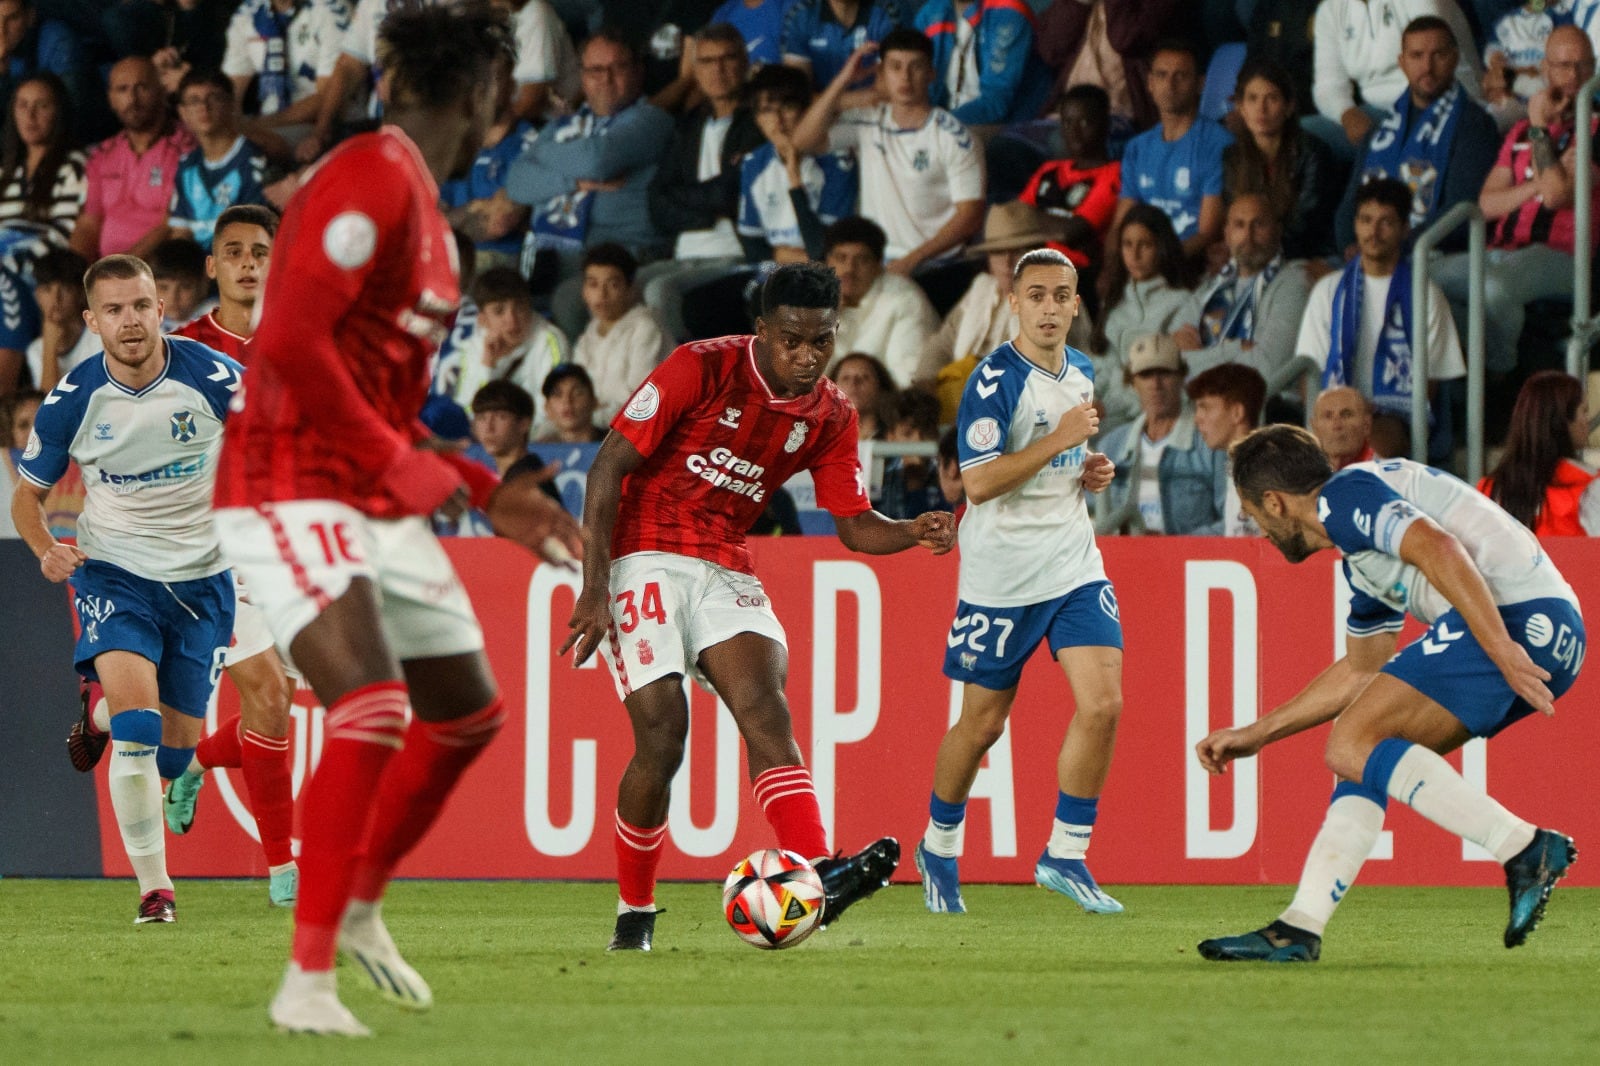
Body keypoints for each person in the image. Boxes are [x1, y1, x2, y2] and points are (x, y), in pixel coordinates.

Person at [209, 3, 582, 1035]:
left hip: (363, 484)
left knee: (468, 712)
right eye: (503, 94)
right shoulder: (373, 173)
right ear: (485, 95)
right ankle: (306, 982)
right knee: (373, 707)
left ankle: (361, 901)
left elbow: (377, 385)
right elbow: (285, 337)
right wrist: (397, 464)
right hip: (287, 480)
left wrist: (476, 477)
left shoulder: (421, 200)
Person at [562, 261, 956, 952]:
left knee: (766, 709)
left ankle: (820, 872)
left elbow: (855, 524)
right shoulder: (699, 368)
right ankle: (635, 911)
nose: (808, 357)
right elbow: (607, 466)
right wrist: (594, 590)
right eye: (793, 341)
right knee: (663, 734)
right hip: (642, 552)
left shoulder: (832, 414)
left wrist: (911, 531)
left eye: (823, 342)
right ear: (763, 332)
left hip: (725, 561)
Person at [1196, 424, 1583, 961]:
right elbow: (1363, 669)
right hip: (1552, 631)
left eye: (1252, 513)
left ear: (1274, 502)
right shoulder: (1365, 558)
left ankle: (1522, 846)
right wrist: (1257, 734)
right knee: (1363, 755)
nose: (1257, 528)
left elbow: (1439, 547)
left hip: (1516, 620)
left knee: (1351, 743)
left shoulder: (1345, 495)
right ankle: (1300, 927)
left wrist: (1500, 649)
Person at [12, 254, 245, 926]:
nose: (130, 321)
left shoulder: (217, 379)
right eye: (113, 310)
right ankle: (155, 890)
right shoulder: (74, 399)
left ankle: (100, 716)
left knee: (174, 754)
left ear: (160, 309)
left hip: (203, 581)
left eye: (140, 306)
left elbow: (282, 449)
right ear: (92, 321)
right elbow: (27, 501)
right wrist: (46, 550)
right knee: (143, 733)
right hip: (114, 574)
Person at [915, 246, 1124, 916]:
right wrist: (1058, 440)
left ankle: (1066, 852)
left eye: (1061, 296)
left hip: (1072, 561)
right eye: (1035, 295)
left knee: (1104, 705)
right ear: (1014, 302)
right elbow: (978, 482)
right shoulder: (992, 380)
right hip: (1002, 573)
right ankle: (939, 847)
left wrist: (1087, 467)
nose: (1049, 309)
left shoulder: (1082, 370)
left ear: (1075, 302)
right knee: (981, 725)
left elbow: (1060, 456)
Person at [1435, 26, 1598, 379]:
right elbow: (1486, 203)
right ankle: (1473, 359)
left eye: (1583, 66)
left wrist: (1539, 124)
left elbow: (1555, 197)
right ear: (1545, 69)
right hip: (1501, 249)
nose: (1572, 76)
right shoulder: (1519, 132)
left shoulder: (1595, 129)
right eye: (1563, 65)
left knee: (1495, 290)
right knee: (1424, 276)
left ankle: (1500, 374)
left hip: (1565, 256)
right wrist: (1537, 183)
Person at [507, 29, 675, 340]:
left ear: (638, 71)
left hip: (622, 257)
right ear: (582, 77)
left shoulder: (651, 120)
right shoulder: (563, 128)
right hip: (551, 255)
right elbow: (516, 181)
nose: (606, 78)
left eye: (618, 67)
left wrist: (540, 154)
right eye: (595, 70)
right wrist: (575, 182)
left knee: (566, 301)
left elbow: (597, 158)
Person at [794, 31, 985, 279]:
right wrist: (844, 79)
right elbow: (802, 141)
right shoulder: (869, 120)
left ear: (931, 73)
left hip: (937, 267)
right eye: (895, 67)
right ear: (881, 74)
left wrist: (912, 260)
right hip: (876, 264)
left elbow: (970, 216)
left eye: (915, 67)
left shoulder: (955, 137)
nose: (905, 77)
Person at [1299, 178, 1466, 457]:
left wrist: (1368, 412)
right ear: (1355, 225)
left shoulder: (1425, 294)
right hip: (1336, 411)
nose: (1373, 231)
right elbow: (1310, 372)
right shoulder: (1328, 290)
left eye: (1386, 222)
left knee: (1373, 444)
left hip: (1395, 415)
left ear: (1405, 229)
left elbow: (1431, 382)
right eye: (1366, 220)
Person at [913, 201, 1095, 424]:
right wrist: (926, 385)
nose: (1007, 262)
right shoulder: (981, 291)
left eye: (1017, 251)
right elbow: (941, 344)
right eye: (998, 253)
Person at [1332, 16, 1500, 253]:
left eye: (1438, 55)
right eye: (1416, 56)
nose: (1427, 67)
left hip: (1433, 256)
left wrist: (1390, 247)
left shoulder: (1474, 126)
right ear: (1402, 62)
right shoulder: (1382, 129)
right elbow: (1350, 203)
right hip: (1370, 253)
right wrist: (1350, 246)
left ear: (1454, 58)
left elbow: (1460, 213)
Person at [641, 23, 762, 342]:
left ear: (745, 62)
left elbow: (732, 194)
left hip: (734, 253)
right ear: (695, 69)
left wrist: (691, 199)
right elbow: (657, 201)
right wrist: (709, 211)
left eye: (727, 59)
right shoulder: (689, 125)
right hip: (682, 254)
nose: (717, 70)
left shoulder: (760, 120)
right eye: (707, 61)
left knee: (658, 291)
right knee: (626, 286)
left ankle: (682, 385)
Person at [1171, 192, 1315, 400]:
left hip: (1265, 412)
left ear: (1278, 231)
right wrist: (1234, 349)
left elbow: (1265, 370)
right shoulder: (1213, 285)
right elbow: (1171, 362)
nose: (1248, 235)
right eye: (1239, 225)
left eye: (1259, 225)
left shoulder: (1294, 283)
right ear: (1227, 234)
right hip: (1202, 409)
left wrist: (1198, 357)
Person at [1310, 0, 1481, 159]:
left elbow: (1438, 69)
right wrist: (1347, 113)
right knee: (1303, 135)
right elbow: (1328, 84)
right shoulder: (1330, 10)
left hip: (1435, 104)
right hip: (1377, 113)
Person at [1094, 332, 1228, 536]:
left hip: (1187, 561)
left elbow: (1231, 522)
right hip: (1123, 559)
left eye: (1165, 373)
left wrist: (1169, 547)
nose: (1155, 385)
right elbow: (1089, 515)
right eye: (1146, 375)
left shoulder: (1211, 444)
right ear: (1132, 383)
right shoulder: (1111, 446)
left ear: (1182, 377)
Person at [1110, 40, 1232, 262]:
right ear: (1150, 83)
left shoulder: (1219, 144)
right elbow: (1121, 223)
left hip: (1188, 266)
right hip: (1141, 264)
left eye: (1181, 76)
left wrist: (1158, 264)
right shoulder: (1137, 148)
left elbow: (1207, 234)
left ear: (1200, 84)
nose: (1170, 85)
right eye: (1161, 75)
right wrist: (1110, 267)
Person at [0, 70, 84, 393]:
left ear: (59, 112)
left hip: (40, 274)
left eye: (41, 106)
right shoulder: (7, 172)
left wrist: (10, 261)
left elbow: (61, 239)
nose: (30, 116)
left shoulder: (73, 166)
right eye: (22, 106)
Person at [71, 57, 197, 262]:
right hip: (106, 274)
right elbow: (88, 224)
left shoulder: (186, 150)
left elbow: (171, 225)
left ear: (161, 91)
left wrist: (122, 268)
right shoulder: (102, 155)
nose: (133, 99)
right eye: (122, 90)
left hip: (157, 270)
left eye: (142, 88)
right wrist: (75, 275)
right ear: (111, 99)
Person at [1089, 204, 1195, 442]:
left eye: (1145, 245)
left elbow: (1166, 380)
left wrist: (1107, 406)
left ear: (1162, 247)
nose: (1134, 255)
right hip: (1105, 410)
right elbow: (1102, 364)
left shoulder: (1182, 303)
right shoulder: (1115, 299)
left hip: (1144, 415)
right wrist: (1088, 399)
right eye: (1127, 244)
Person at [1222, 57, 1342, 262]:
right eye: (1252, 98)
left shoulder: (1313, 153)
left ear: (1288, 107)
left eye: (1272, 98)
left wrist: (1258, 250)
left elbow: (1306, 226)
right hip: (1252, 252)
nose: (1261, 108)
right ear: (1241, 108)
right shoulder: (1232, 156)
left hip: (1306, 255)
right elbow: (1234, 215)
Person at [444, 266, 569, 428]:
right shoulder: (472, 345)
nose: (512, 319)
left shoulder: (550, 340)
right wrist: (487, 367)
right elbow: (468, 411)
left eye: (519, 307)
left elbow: (552, 413)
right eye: (499, 311)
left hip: (537, 438)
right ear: (482, 319)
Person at [1478, 370, 1600, 535]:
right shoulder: (1590, 486)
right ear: (1563, 421)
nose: (1587, 420)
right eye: (1584, 411)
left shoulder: (1488, 489)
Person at [823, 216, 940, 386]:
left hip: (885, 407)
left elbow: (907, 382)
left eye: (861, 260)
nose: (849, 269)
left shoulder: (904, 299)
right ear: (828, 262)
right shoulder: (814, 300)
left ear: (878, 266)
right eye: (841, 258)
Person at [1018, 85, 1121, 274]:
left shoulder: (1114, 174)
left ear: (1106, 125)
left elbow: (1071, 232)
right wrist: (1039, 220)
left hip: (1077, 272)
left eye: (1084, 123)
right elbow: (1015, 218)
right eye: (1067, 123)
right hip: (1033, 265)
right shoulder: (1049, 170)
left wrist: (1031, 217)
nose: (1074, 131)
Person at [222, 0, 351, 148]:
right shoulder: (248, 13)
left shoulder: (331, 9)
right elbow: (229, 91)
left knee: (247, 146)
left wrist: (256, 125)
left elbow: (327, 99)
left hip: (322, 126)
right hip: (267, 124)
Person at [167, 69, 269, 249]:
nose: (203, 107)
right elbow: (181, 234)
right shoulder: (187, 166)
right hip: (196, 269)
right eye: (194, 101)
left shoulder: (251, 159)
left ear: (231, 104)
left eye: (213, 98)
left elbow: (253, 232)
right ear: (183, 112)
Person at [571, 242, 672, 422]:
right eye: (593, 284)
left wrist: (587, 416)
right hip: (598, 427)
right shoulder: (587, 336)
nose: (601, 295)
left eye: (612, 284)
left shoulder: (645, 327)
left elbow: (641, 404)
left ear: (630, 290)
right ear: (584, 291)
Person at [915, 0, 1050, 127]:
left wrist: (936, 125)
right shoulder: (930, 14)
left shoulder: (1008, 11)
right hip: (944, 120)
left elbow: (997, 101)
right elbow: (921, 89)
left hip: (1006, 125)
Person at [174, 203, 274, 355]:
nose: (248, 263)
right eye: (234, 253)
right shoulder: (180, 347)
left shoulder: (303, 339)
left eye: (260, 253)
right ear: (211, 266)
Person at [1184, 362, 1267, 536]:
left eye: (1205, 407)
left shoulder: (1268, 470)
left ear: (1237, 413)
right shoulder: (1239, 465)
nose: (1197, 419)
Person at [23, 246, 89, 391]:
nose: (55, 299)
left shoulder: (99, 337)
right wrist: (49, 347)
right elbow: (49, 406)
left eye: (65, 289)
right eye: (47, 290)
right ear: (38, 296)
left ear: (81, 294)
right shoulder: (36, 349)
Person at [148, 236, 213, 330]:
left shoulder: (215, 317)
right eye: (163, 287)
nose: (173, 297)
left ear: (203, 286)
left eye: (185, 287)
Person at [831, 350, 896, 440]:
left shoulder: (897, 440)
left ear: (881, 389)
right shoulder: (818, 441)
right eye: (845, 378)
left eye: (864, 377)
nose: (854, 383)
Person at [538, 362, 607, 443]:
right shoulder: (540, 451)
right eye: (557, 394)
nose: (567, 401)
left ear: (594, 402)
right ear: (547, 407)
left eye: (577, 393)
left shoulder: (617, 446)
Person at [1312, 384, 1378, 467]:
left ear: (1366, 425)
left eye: (1346, 415)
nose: (1336, 425)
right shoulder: (1305, 473)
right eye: (1328, 416)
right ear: (1315, 428)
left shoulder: (1383, 472)